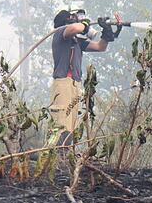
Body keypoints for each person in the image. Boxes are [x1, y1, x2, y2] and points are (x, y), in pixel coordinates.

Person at [49, 9, 122, 148]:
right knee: (61, 124)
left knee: (72, 126)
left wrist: (107, 32)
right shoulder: (60, 33)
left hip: (75, 85)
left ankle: (64, 157)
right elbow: (76, 28)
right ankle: (54, 157)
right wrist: (84, 23)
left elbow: (101, 47)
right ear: (66, 21)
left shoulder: (76, 42)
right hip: (63, 84)